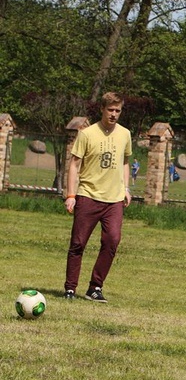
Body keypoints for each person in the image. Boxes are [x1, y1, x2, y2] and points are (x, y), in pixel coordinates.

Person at [64, 92, 133, 303]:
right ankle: (70, 289)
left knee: (112, 240)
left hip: (114, 199)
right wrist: (71, 195)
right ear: (102, 109)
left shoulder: (125, 134)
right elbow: (74, 165)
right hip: (88, 195)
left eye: (117, 111)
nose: (113, 114)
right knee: (78, 243)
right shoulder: (87, 134)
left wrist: (126, 188)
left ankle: (95, 287)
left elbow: (124, 162)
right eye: (110, 110)